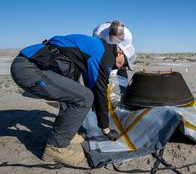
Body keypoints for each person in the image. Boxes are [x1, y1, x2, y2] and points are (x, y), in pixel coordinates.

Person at [10, 34, 136, 166]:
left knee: (75, 93)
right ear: (120, 52)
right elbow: (99, 92)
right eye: (125, 64)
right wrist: (105, 128)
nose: (123, 68)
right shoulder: (105, 55)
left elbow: (92, 86)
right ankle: (55, 148)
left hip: (35, 65)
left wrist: (97, 112)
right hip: (29, 68)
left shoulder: (100, 49)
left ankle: (65, 134)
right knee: (84, 97)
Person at [93, 20, 134, 84]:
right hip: (104, 45)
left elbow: (126, 51)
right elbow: (96, 49)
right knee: (105, 67)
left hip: (119, 49)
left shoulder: (128, 35)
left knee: (121, 65)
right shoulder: (98, 32)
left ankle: (124, 90)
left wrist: (120, 60)